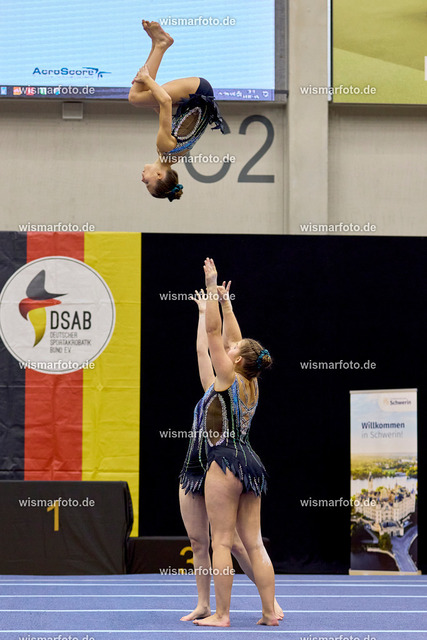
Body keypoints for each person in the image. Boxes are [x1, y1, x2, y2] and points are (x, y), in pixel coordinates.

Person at [179, 260, 279, 627]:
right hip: (248, 460)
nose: (228, 346)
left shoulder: (226, 377)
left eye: (232, 348)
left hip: (223, 461)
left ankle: (222, 614)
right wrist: (227, 304)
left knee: (222, 541)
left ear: (235, 358)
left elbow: (214, 335)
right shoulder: (250, 382)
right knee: (254, 543)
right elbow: (227, 342)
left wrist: (211, 288)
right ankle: (268, 611)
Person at [128, 21, 224, 201]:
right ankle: (161, 44)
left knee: (144, 98)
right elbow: (166, 101)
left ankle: (157, 45)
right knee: (135, 97)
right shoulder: (164, 149)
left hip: (200, 99)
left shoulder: (171, 158)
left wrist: (155, 103)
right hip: (198, 92)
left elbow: (177, 123)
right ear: (159, 176)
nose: (142, 179)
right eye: (147, 183)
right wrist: (147, 79)